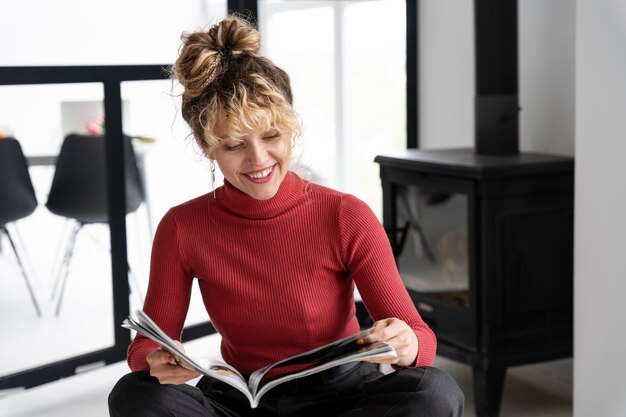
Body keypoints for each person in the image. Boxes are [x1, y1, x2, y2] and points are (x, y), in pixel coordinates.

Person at [108, 15, 464, 417]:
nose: (258, 159)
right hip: (240, 398)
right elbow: (145, 347)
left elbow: (420, 336)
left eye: (272, 136)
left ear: (291, 128)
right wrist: (155, 360)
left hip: (341, 396)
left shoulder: (346, 215)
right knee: (134, 395)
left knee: (435, 393)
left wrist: (407, 345)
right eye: (234, 144)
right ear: (207, 146)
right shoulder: (181, 227)